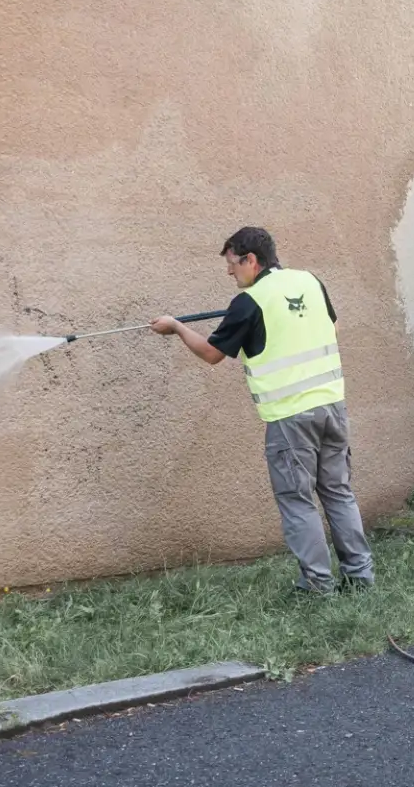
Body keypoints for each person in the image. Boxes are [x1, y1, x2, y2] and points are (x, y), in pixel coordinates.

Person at [149, 226, 376, 595]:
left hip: (290, 419)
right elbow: (331, 328)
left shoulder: (249, 302)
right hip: (332, 407)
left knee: (298, 502)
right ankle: (361, 578)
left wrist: (175, 327)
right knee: (338, 492)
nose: (229, 271)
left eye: (232, 263)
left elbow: (212, 354)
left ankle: (317, 586)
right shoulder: (310, 281)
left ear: (251, 259)